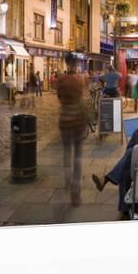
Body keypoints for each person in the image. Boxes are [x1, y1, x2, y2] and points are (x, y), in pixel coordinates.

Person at [91, 104, 138, 218]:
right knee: (124, 172)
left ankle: (107, 179)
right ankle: (124, 210)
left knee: (128, 160)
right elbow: (127, 154)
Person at [56, 52, 87, 207]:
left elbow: (60, 97)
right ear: (76, 64)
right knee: (78, 156)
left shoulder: (60, 80)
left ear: (66, 63)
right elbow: (81, 99)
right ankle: (76, 189)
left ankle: (67, 178)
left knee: (67, 151)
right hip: (77, 121)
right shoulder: (79, 80)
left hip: (64, 120)